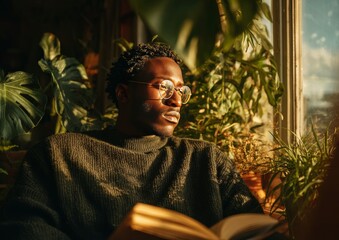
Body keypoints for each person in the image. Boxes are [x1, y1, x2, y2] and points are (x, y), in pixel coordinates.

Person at [0, 42, 263, 239]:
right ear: (124, 94)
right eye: (164, 87)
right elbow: (23, 227)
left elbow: (257, 227)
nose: (177, 101)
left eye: (181, 90)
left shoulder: (206, 158)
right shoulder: (60, 153)